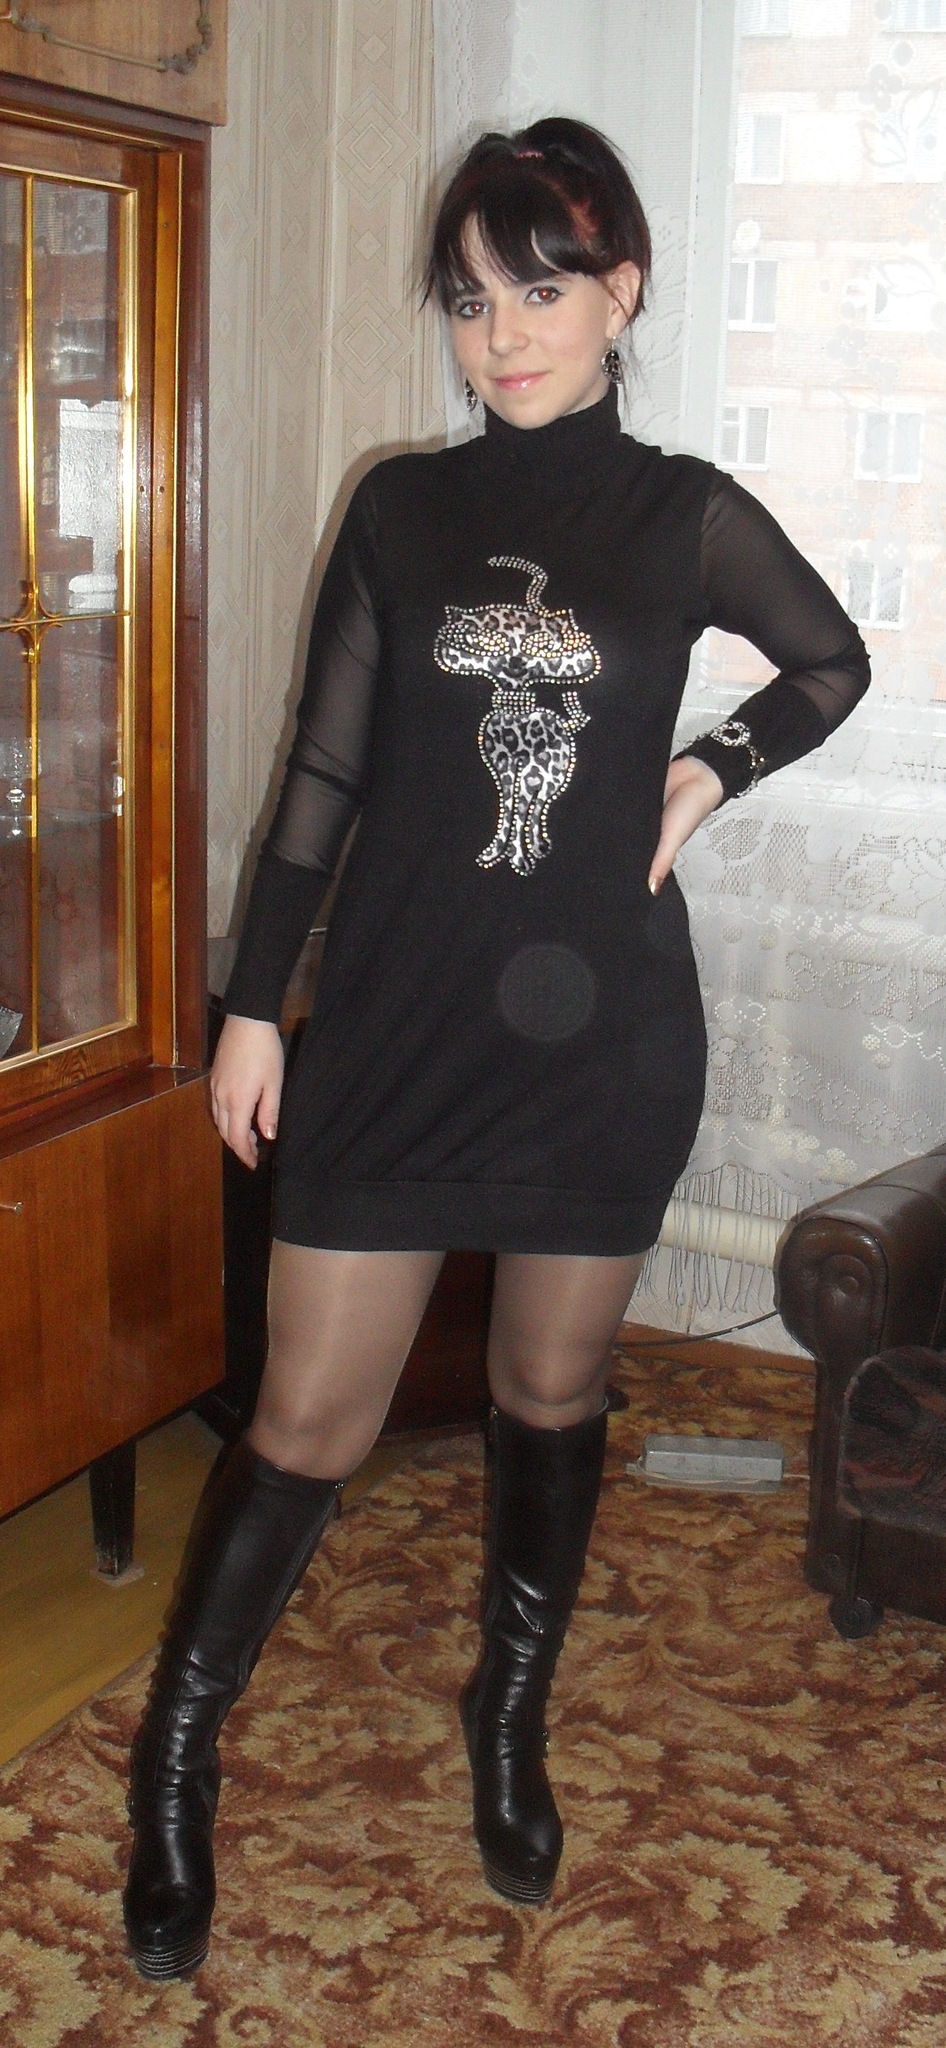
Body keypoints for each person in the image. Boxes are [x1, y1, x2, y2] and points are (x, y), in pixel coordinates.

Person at [122, 116, 870, 1978]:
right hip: (393, 1022)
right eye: (468, 301)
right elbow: (320, 775)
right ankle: (175, 1763)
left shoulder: (683, 511)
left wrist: (707, 770)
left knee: (549, 1392)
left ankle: (507, 1715)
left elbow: (830, 663)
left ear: (622, 292)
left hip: (601, 1034)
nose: (501, 334)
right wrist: (249, 1006)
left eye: (539, 290)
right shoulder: (401, 510)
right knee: (306, 1420)